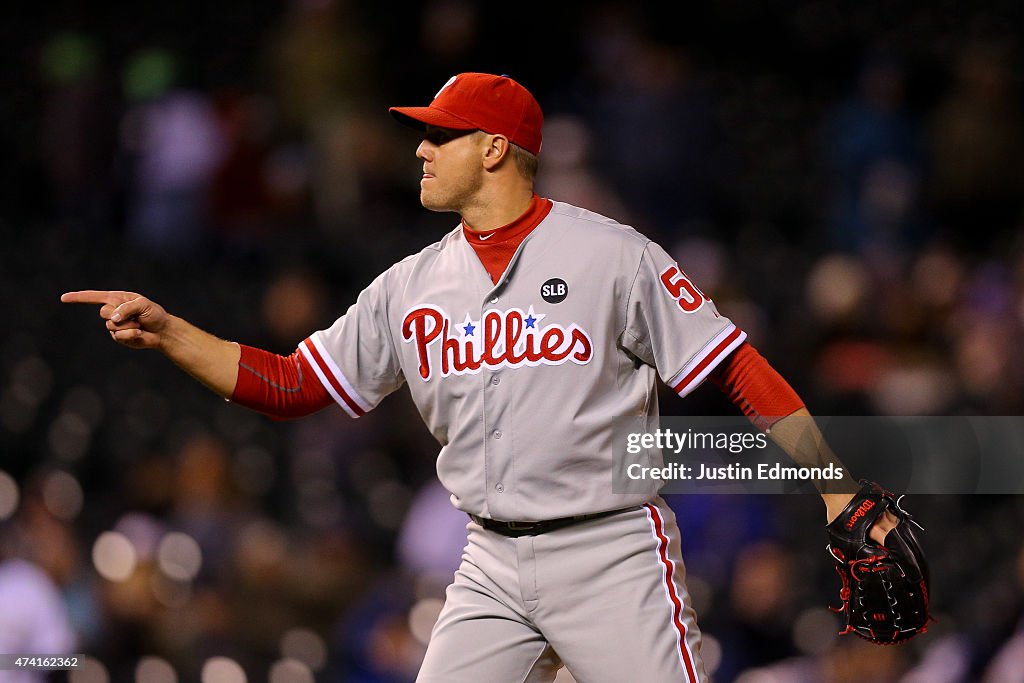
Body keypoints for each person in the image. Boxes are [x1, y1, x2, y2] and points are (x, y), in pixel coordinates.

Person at [63, 72, 895, 683]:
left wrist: (835, 489)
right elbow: (292, 386)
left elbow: (739, 370)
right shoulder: (409, 284)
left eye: (441, 134)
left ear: (495, 147)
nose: (420, 147)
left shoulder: (614, 256)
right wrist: (172, 333)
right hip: (490, 560)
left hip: (608, 550)